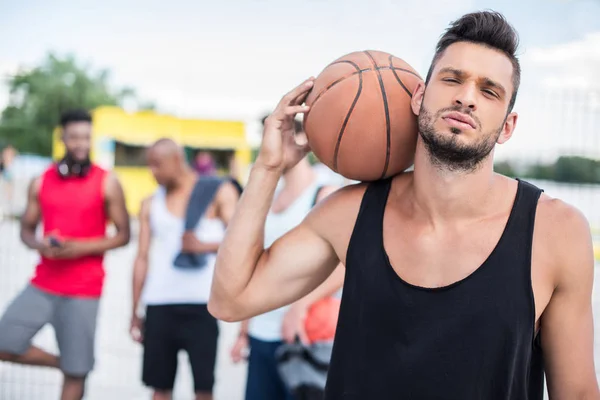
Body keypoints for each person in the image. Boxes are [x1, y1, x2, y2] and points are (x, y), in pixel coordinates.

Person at [208, 11, 600, 400]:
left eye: (489, 91)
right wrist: (267, 168)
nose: (466, 97)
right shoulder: (351, 213)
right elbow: (231, 298)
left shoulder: (555, 231)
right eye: (452, 79)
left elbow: (578, 392)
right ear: (418, 96)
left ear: (508, 126)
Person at [0, 109, 130, 400]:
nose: (81, 144)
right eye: (74, 137)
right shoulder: (41, 181)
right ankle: (69, 365)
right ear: (62, 138)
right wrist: (39, 245)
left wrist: (78, 247)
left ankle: (75, 367)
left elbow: (124, 236)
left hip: (85, 290)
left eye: (86, 137)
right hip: (43, 283)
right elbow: (26, 230)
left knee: (77, 373)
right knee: (5, 342)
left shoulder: (107, 182)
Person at [226, 116, 344, 400]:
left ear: (302, 138)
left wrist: (300, 307)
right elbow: (254, 266)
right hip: (262, 333)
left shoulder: (324, 192)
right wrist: (244, 330)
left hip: (304, 335)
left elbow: (345, 264)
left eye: (280, 135)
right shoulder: (270, 196)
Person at [130, 138, 239, 400]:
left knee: (203, 388)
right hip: (159, 304)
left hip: (202, 305)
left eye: (157, 165)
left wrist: (204, 246)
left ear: (177, 160)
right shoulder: (149, 203)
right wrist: (134, 310)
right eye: (149, 165)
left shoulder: (218, 192)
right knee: (159, 387)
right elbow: (141, 258)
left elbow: (242, 243)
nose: (152, 172)